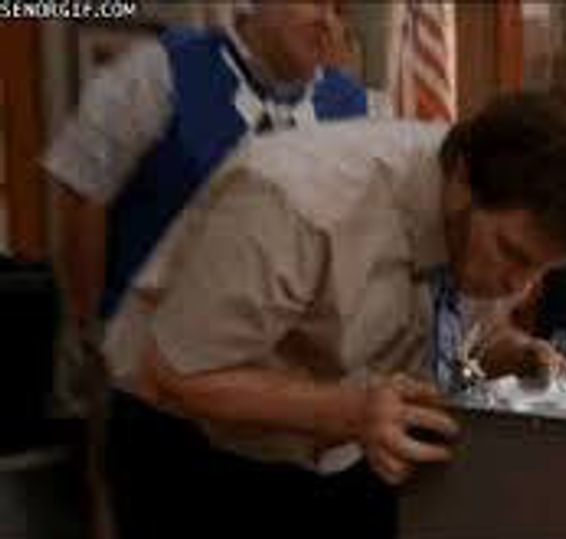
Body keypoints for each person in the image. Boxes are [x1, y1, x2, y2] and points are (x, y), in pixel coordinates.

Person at [100, 93, 566, 539]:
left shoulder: (491, 211)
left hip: (346, 445)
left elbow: (467, 327)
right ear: (462, 180)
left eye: (542, 270)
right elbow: (178, 373)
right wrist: (349, 411)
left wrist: (513, 353)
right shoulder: (298, 201)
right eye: (512, 255)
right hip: (193, 447)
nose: (519, 287)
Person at [44, 2, 377, 337]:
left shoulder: (356, 109)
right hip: (148, 346)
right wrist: (89, 330)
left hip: (281, 355)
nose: (328, 22)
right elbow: (83, 195)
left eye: (340, 11)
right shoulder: (160, 70)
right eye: (316, 3)